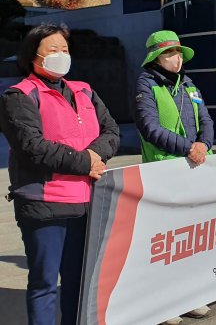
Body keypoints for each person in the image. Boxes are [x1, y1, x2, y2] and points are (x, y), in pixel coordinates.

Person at [0, 24, 120, 325]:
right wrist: (86, 161)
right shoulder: (18, 96)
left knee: (76, 282)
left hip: (87, 202)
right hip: (44, 205)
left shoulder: (84, 90)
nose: (61, 55)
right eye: (52, 50)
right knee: (44, 284)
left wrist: (94, 156)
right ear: (33, 56)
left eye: (64, 49)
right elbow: (32, 147)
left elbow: (112, 131)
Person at [134, 30, 214, 323]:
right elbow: (149, 128)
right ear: (156, 58)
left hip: (195, 167)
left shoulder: (189, 84)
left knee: (193, 237)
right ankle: (164, 302)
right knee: (167, 241)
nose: (177, 59)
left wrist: (204, 144)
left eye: (179, 53)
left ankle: (190, 294)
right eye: (170, 54)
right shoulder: (146, 85)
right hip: (164, 170)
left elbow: (205, 119)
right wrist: (188, 147)